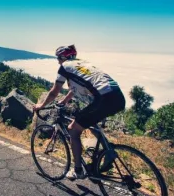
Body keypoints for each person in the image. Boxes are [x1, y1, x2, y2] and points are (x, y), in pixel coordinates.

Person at [33, 44, 125, 180]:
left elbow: (54, 92)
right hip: (117, 97)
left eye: (58, 58)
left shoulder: (64, 67)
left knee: (73, 130)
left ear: (63, 57)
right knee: (90, 123)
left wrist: (41, 105)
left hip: (103, 99)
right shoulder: (83, 64)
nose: (58, 61)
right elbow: (75, 88)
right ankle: (108, 152)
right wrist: (64, 101)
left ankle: (78, 170)